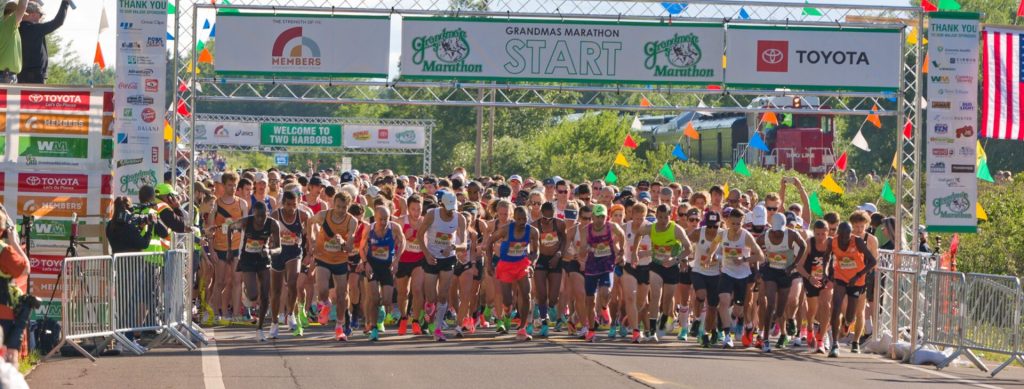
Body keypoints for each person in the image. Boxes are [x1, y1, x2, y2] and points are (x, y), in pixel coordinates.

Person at [416, 192, 468, 342]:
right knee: (431, 297)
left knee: (443, 295)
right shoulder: (432, 214)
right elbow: (419, 236)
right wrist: (426, 254)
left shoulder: (460, 218)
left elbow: (464, 244)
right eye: (448, 208)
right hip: (431, 257)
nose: (451, 211)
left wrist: (453, 246)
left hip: (448, 258)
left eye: (453, 208)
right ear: (441, 205)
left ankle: (437, 329)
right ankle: (429, 309)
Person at [227, 202, 281, 342]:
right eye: (257, 216)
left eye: (263, 216)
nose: (260, 219)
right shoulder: (246, 222)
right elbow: (230, 228)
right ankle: (247, 289)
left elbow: (279, 248)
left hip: (264, 260)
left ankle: (260, 328)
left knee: (265, 295)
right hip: (247, 260)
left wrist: (269, 250)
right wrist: (229, 250)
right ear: (253, 214)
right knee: (253, 296)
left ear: (267, 214)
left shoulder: (273, 224)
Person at [308, 192, 358, 341]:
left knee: (342, 295)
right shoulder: (324, 215)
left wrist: (342, 242)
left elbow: (349, 248)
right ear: (333, 204)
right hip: (323, 257)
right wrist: (311, 241)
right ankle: (326, 304)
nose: (340, 210)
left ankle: (339, 327)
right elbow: (310, 222)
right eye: (338, 206)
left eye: (344, 207)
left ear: (348, 207)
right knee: (323, 291)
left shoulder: (352, 221)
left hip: (340, 261)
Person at [487, 206, 539, 341]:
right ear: (514, 219)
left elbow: (536, 251)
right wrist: (488, 263)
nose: (522, 222)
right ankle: (507, 312)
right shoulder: (505, 230)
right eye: (519, 219)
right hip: (506, 266)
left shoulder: (533, 231)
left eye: (524, 219)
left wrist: (532, 263)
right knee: (507, 300)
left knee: (526, 294)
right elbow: (489, 243)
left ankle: (522, 328)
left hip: (522, 264)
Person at [757, 213, 807, 353]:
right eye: (776, 230)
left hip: (785, 273)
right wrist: (761, 263)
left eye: (780, 230)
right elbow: (755, 248)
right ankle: (766, 339)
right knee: (770, 303)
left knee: (780, 309)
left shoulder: (791, 234)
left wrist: (793, 265)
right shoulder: (765, 236)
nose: (778, 233)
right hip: (771, 271)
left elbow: (803, 247)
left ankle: (781, 319)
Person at [714, 208, 763, 348]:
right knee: (723, 301)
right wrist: (712, 256)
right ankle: (727, 336)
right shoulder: (722, 235)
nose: (735, 227)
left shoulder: (746, 236)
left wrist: (744, 259)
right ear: (728, 221)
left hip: (743, 275)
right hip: (727, 272)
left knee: (739, 309)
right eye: (733, 223)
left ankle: (741, 321)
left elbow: (760, 256)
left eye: (739, 224)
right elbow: (714, 249)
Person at [577, 204, 625, 342]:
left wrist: (621, 251)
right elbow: (581, 252)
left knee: (605, 292)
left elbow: (622, 235)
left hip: (607, 264)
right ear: (592, 217)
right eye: (597, 217)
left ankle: (604, 308)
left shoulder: (611, 227)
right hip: (591, 267)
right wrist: (586, 249)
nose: (600, 220)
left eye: (603, 216)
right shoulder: (586, 230)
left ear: (606, 217)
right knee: (590, 300)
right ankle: (591, 331)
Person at [828, 221, 877, 357]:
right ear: (838, 234)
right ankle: (834, 344)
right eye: (842, 236)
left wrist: (858, 275)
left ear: (851, 235)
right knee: (836, 307)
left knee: (851, 315)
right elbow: (827, 258)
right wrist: (829, 273)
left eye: (847, 236)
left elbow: (873, 261)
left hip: (857, 280)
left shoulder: (858, 242)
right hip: (840, 277)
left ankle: (847, 323)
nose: (844, 240)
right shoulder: (832, 242)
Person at [206, 172, 247, 322]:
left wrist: (244, 249)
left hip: (236, 248)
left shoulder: (241, 203)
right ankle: (215, 314)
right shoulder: (216, 204)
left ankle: (236, 315)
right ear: (223, 186)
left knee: (237, 281)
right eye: (229, 185)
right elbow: (210, 230)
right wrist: (211, 250)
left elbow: (245, 228)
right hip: (220, 247)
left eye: (235, 185)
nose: (232, 188)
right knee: (220, 282)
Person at [361, 204, 405, 341]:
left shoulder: (394, 227)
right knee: (373, 298)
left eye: (386, 219)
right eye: (381, 219)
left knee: (386, 301)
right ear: (375, 217)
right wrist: (365, 263)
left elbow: (403, 242)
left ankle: (377, 311)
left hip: (387, 267)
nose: (384, 222)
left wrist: (396, 260)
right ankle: (374, 328)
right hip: (372, 266)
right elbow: (361, 248)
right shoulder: (369, 229)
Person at [271, 190, 310, 338]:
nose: (291, 208)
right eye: (288, 205)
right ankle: (274, 323)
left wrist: (310, 249)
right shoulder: (275, 215)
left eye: (294, 204)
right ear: (283, 204)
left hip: (294, 252)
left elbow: (310, 235)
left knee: (293, 282)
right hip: (278, 253)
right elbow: (267, 232)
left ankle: (290, 314)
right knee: (275, 291)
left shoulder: (303, 215)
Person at [0, 205, 29, 365]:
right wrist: (13, 243)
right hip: (3, 314)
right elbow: (25, 268)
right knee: (7, 362)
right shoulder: (4, 251)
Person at [531, 201, 565, 337]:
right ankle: (544, 322)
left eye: (549, 219)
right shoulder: (535, 226)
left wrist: (558, 254)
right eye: (544, 218)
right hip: (541, 259)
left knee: (553, 297)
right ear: (541, 214)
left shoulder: (559, 224)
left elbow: (565, 240)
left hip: (556, 259)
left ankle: (551, 309)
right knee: (541, 293)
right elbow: (531, 245)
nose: (547, 221)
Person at [18, 0, 70, 83]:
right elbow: (58, 21)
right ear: (33, 14)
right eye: (40, 15)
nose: (41, 18)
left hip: (20, 74)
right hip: (35, 76)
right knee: (36, 96)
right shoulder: (35, 29)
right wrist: (65, 3)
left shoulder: (16, 30)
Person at [0, 0, 28, 83]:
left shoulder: (4, 25)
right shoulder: (9, 23)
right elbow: (22, 6)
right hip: (5, 77)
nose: (22, 19)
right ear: (13, 13)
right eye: (21, 16)